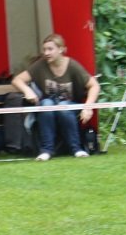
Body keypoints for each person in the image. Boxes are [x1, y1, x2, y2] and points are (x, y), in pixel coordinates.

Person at [11, 33, 100, 161]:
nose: (46, 53)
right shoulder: (40, 65)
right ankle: (46, 150)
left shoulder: (73, 66)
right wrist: (27, 90)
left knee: (63, 108)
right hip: (50, 106)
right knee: (46, 104)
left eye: (50, 49)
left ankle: (76, 149)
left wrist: (88, 107)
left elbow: (94, 85)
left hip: (70, 105)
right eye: (44, 49)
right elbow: (17, 80)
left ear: (61, 49)